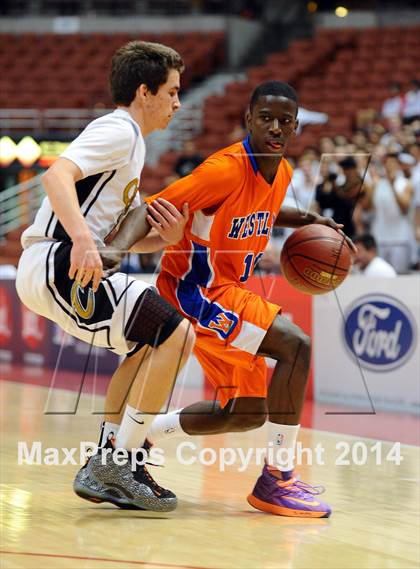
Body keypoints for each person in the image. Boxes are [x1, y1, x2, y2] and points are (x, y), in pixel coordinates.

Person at [98, 81, 356, 518]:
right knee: (297, 345)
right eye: (266, 118)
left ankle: (142, 437)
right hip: (195, 293)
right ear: (248, 119)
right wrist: (113, 251)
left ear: (295, 127)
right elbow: (149, 208)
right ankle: (278, 479)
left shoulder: (283, 172)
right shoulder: (224, 170)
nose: (275, 127)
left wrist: (308, 218)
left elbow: (267, 211)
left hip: (227, 292)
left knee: (246, 411)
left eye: (285, 120)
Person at [15, 40, 195, 511]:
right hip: (58, 259)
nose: (178, 102)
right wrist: (80, 240)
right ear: (144, 92)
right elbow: (56, 177)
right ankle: (118, 462)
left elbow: (128, 238)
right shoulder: (119, 130)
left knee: (148, 344)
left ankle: (112, 460)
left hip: (55, 263)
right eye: (172, 91)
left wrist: (168, 239)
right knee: (176, 334)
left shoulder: (130, 149)